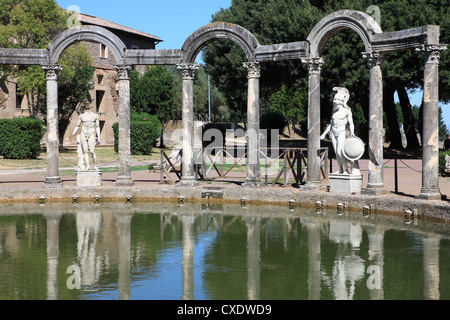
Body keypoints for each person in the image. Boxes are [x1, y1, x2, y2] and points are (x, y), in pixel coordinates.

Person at [321, 87, 355, 174]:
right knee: (336, 153)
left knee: (340, 152)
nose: (335, 104)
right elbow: (331, 124)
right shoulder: (334, 112)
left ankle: (346, 170)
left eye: (336, 102)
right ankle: (340, 169)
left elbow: (351, 123)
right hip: (333, 133)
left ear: (341, 102)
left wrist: (352, 133)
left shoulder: (346, 111)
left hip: (341, 132)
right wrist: (324, 134)